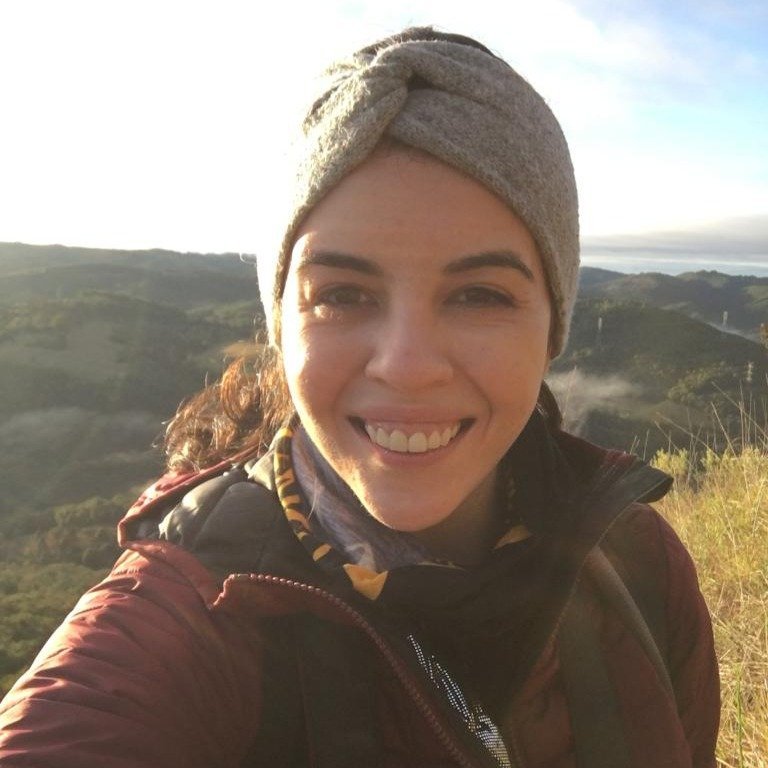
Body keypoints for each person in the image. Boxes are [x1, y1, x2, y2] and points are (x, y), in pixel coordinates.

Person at [0, 26, 719, 768]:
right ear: (281, 327)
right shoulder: (184, 622)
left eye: (479, 294)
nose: (407, 366)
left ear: (552, 330)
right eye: (342, 294)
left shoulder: (635, 560)